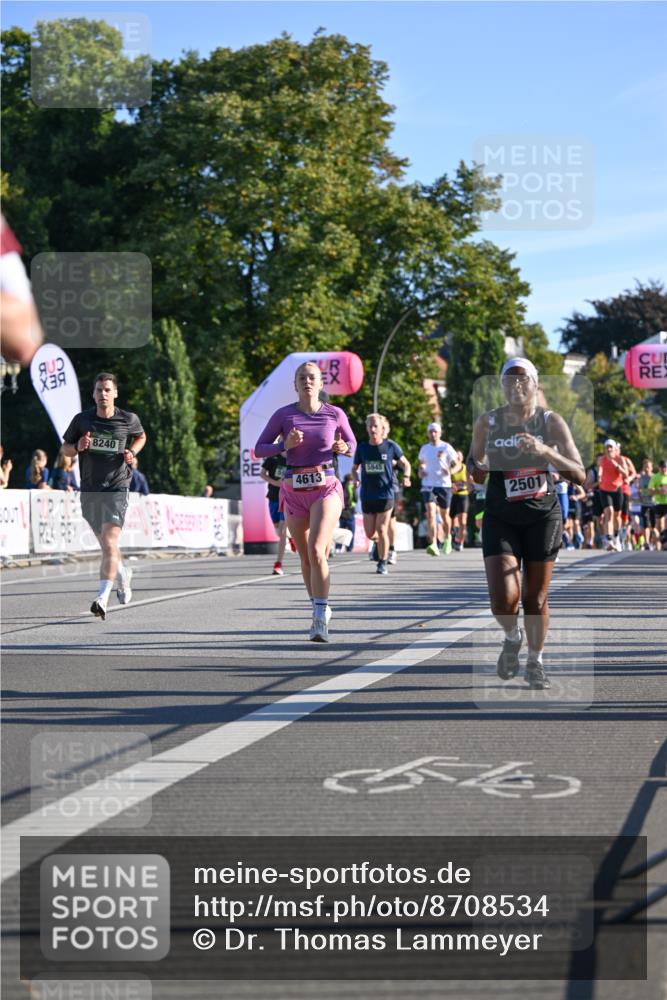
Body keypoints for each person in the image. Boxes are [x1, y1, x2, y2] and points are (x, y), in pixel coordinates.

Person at [468, 357, 585, 690]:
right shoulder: (487, 422)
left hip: (542, 517)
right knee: (503, 598)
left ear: (537, 385)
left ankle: (536, 662)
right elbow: (475, 466)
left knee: (535, 599)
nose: (516, 385)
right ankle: (512, 636)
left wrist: (545, 451)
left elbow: (579, 475)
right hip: (500, 516)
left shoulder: (551, 422)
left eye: (523, 379)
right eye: (509, 380)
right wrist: (478, 466)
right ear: (502, 386)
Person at [254, 361, 356, 642]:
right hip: (293, 489)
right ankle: (319, 606)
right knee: (304, 556)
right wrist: (283, 446)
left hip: (326, 486)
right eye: (302, 377)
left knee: (316, 549)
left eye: (312, 377)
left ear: (321, 384)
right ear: (296, 385)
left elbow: (352, 444)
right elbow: (259, 450)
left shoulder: (334, 413)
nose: (307, 381)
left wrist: (344, 448)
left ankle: (319, 619)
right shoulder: (284, 415)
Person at [62, 372, 146, 619]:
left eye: (107, 390)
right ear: (93, 394)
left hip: (117, 487)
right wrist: (77, 447)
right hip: (90, 490)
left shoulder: (127, 419)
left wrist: (131, 451)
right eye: (99, 390)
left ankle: (102, 597)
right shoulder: (82, 420)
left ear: (115, 393)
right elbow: (65, 449)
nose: (103, 394)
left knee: (110, 543)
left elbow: (141, 435)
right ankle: (122, 573)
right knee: (107, 546)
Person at [352, 413, 410, 575]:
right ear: (367, 428)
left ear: (381, 428)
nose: (372, 429)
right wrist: (356, 478)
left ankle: (382, 562)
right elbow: (354, 468)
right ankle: (379, 545)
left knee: (382, 528)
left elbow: (406, 464)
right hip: (367, 495)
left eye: (375, 426)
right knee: (371, 533)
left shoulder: (391, 446)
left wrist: (406, 476)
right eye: (370, 426)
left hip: (386, 494)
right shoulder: (362, 448)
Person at [418, 422, 457, 556]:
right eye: (431, 432)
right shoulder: (424, 448)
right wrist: (420, 472)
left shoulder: (447, 447)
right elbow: (421, 464)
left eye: (435, 431)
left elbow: (456, 465)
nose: (433, 434)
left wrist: (450, 471)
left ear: (440, 433)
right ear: (428, 433)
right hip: (428, 484)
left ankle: (447, 539)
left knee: (445, 515)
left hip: (443, 485)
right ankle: (433, 543)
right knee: (430, 514)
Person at [597, 440, 630, 551]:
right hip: (605, 490)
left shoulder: (620, 459)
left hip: (617, 490)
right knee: (609, 512)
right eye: (607, 447)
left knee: (617, 515)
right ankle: (609, 539)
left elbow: (626, 474)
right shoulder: (602, 459)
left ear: (615, 449)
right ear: (605, 449)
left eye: (611, 447)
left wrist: (617, 466)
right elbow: (600, 469)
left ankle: (616, 537)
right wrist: (599, 475)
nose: (609, 449)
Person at [259, 448, 288, 575]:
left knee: (282, 531)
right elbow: (262, 473)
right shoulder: (273, 458)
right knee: (277, 529)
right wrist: (275, 482)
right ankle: (290, 538)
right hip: (273, 497)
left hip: (288, 498)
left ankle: (278, 564)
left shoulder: (295, 458)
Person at [450, 450, 471, 551]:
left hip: (463, 495)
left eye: (459, 457)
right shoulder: (450, 469)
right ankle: (452, 537)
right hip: (452, 496)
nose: (457, 459)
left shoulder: (466, 468)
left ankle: (460, 542)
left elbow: (471, 482)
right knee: (451, 520)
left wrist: (464, 485)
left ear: (462, 458)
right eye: (456, 457)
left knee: (462, 520)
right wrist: (451, 486)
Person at [638, 459, 658, 550]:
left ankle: (657, 542)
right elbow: (639, 489)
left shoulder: (655, 477)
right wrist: (640, 495)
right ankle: (646, 542)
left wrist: (653, 492)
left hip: (654, 503)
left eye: (648, 467)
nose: (646, 468)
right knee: (645, 524)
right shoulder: (641, 478)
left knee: (653, 526)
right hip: (644, 504)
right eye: (645, 466)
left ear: (651, 468)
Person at [648, 459, 667, 548]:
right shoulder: (655, 477)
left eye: (665, 467)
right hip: (658, 503)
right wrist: (658, 491)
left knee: (665, 520)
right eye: (662, 467)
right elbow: (650, 492)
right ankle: (662, 540)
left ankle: (665, 540)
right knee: (659, 525)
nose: (664, 469)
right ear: (659, 468)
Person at [336, 473, 357, 553]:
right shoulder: (346, 487)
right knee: (347, 532)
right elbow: (355, 499)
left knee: (346, 531)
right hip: (346, 512)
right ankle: (344, 548)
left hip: (346, 513)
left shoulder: (346, 487)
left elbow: (355, 499)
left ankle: (344, 548)